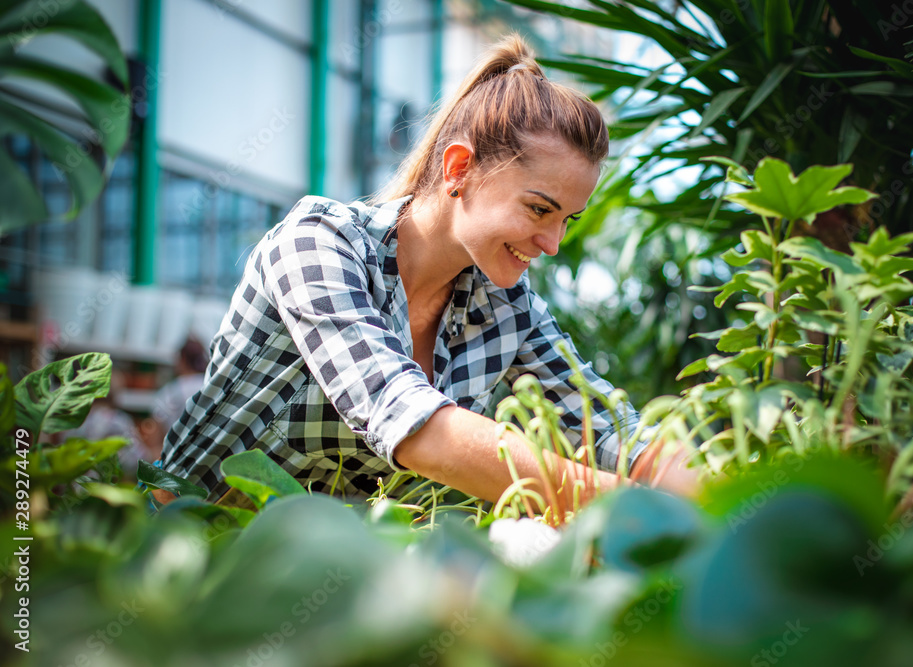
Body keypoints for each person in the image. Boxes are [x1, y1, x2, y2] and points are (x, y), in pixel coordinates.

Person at [155, 36, 696, 507]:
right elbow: (413, 425)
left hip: (316, 579)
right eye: (538, 209)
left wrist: (735, 504)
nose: (553, 244)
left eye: (567, 221)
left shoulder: (505, 307)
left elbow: (612, 432)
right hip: (181, 549)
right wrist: (621, 506)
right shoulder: (318, 246)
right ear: (459, 168)